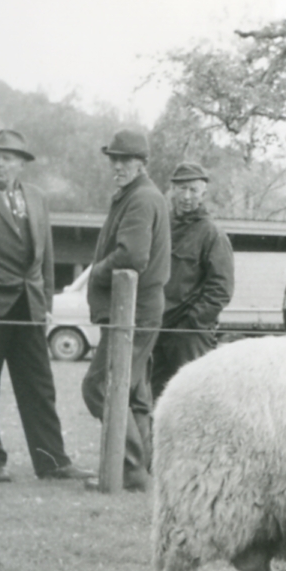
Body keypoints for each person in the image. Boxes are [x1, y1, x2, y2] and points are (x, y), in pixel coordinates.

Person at [0, 129, 94, 483]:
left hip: (29, 309)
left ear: (22, 164)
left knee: (40, 387)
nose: (0, 162)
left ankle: (53, 462)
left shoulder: (38, 198)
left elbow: (46, 258)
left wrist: (46, 302)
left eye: (8, 157)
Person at [81, 129, 171, 492]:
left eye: (124, 160)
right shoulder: (138, 196)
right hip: (136, 310)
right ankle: (144, 470)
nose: (116, 165)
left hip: (131, 311)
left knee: (100, 386)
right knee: (132, 393)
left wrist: (96, 272)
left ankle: (132, 469)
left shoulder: (141, 199)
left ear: (141, 163)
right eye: (113, 159)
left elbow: (131, 257)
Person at [150, 162, 235, 400]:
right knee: (155, 399)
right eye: (181, 189)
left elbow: (221, 288)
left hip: (190, 335)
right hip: (157, 328)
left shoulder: (212, 233)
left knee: (192, 400)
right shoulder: (161, 227)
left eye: (193, 190)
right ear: (172, 190)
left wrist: (192, 322)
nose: (186, 196)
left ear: (203, 194)